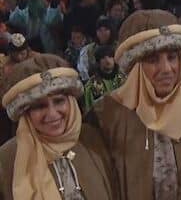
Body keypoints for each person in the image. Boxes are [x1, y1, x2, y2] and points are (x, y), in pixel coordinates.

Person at [86, 9, 181, 200]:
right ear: (135, 67)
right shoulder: (106, 114)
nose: (166, 69)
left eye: (172, 57)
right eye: (153, 60)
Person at [0, 54, 117, 199]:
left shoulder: (93, 139)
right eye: (39, 106)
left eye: (59, 101)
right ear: (25, 114)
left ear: (71, 102)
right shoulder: (7, 159)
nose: (52, 114)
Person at [81, 44, 125, 112]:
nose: (107, 60)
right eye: (103, 58)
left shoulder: (125, 79)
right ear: (98, 62)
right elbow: (89, 110)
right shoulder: (91, 85)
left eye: (110, 57)